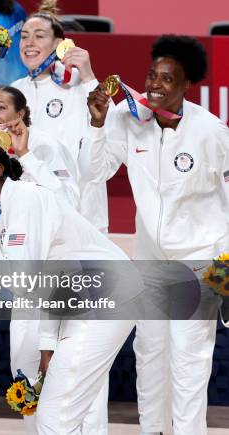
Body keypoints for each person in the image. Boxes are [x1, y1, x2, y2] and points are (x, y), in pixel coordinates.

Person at [86, 34, 229, 435]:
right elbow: (93, 173)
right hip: (150, 259)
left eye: (168, 78)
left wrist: (226, 258)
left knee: (188, 360)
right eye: (151, 75)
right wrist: (97, 124)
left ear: (186, 86)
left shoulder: (211, 131)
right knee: (149, 353)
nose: (155, 84)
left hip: (198, 259)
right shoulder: (126, 118)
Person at [0, 142, 139, 435]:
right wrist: (48, 346)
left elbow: (25, 282)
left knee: (55, 418)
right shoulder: (3, 208)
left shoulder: (24, 199)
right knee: (58, 415)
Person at [10, 0, 109, 233]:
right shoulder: (14, 91)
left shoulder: (78, 84)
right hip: (34, 215)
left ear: (60, 45)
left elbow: (107, 127)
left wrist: (88, 75)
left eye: (39, 36)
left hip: (83, 213)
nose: (29, 43)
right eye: (24, 36)